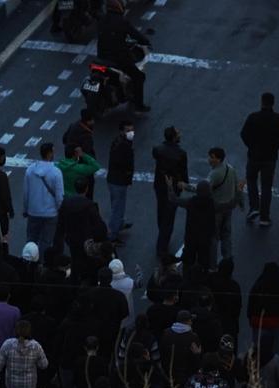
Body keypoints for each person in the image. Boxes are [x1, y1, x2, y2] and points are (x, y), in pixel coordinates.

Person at [240, 92, 279, 226]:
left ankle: (254, 206)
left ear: (262, 102)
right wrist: (276, 147)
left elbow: (243, 134)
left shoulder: (253, 117)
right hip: (270, 157)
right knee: (267, 186)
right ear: (273, 103)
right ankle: (264, 217)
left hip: (254, 156)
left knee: (251, 180)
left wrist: (251, 146)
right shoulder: (278, 118)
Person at [97, 0, 151, 111]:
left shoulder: (102, 19)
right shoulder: (122, 22)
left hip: (101, 56)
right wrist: (146, 41)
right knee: (139, 77)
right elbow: (136, 35)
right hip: (118, 58)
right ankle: (139, 106)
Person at [54, 178, 104, 279]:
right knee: (86, 260)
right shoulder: (89, 205)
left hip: (71, 238)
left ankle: (75, 277)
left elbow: (60, 223)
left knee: (75, 258)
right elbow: (98, 224)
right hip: (86, 238)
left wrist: (59, 236)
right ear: (86, 189)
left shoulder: (66, 203)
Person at [24, 142, 65, 258]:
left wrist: (26, 208)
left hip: (33, 211)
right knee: (46, 242)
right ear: (50, 153)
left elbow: (26, 193)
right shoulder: (56, 172)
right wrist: (59, 210)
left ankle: (29, 260)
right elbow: (59, 196)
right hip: (50, 213)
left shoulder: (30, 170)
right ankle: (41, 263)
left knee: (31, 239)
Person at [153, 126, 188, 256]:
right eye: (178, 133)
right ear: (174, 137)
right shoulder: (181, 153)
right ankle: (162, 245)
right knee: (169, 215)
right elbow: (183, 171)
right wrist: (184, 183)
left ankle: (162, 234)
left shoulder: (157, 150)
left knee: (161, 211)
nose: (180, 134)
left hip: (159, 185)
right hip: (172, 187)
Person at [166, 180, 215, 270]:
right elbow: (228, 205)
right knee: (204, 261)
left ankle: (187, 278)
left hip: (191, 237)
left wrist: (170, 187)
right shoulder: (212, 204)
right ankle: (202, 279)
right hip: (205, 238)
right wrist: (237, 194)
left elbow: (174, 199)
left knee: (188, 261)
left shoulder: (191, 202)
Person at [247, 262, 279, 353]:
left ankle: (257, 366)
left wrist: (250, 317)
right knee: (273, 351)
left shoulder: (257, 286)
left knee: (257, 350)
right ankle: (272, 366)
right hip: (274, 323)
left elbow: (251, 304)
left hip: (258, 322)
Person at [106, 120, 135, 244]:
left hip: (115, 179)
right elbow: (122, 162)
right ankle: (112, 235)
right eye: (128, 130)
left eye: (132, 130)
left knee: (117, 205)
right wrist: (127, 172)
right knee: (117, 207)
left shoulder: (120, 141)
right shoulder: (122, 145)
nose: (131, 133)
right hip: (119, 181)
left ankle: (119, 223)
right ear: (122, 131)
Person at [160, 310, 202, 387]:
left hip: (170, 373)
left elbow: (163, 353)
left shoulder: (166, 333)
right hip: (187, 375)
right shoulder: (193, 337)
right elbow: (195, 359)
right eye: (190, 321)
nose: (192, 323)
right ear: (188, 321)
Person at [63, 109, 97, 199]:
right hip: (81, 166)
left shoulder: (74, 125)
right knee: (89, 186)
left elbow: (64, 139)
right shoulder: (86, 135)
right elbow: (87, 154)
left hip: (70, 163)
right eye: (92, 120)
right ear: (88, 121)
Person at [208, 258, 242, 339]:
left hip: (214, 320)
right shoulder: (234, 286)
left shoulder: (212, 281)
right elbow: (238, 307)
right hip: (230, 324)